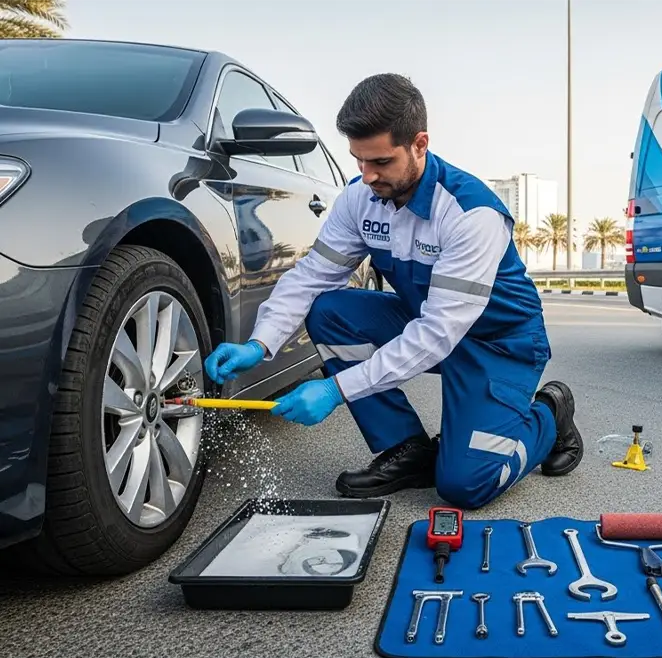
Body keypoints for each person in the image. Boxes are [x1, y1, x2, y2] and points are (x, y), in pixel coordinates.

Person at [203, 73, 583, 510]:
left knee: (465, 485)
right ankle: (408, 449)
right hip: (427, 323)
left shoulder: (470, 214)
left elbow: (437, 333)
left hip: (497, 343)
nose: (367, 176)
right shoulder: (359, 198)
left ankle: (549, 415)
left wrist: (336, 391)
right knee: (330, 310)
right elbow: (311, 276)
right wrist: (260, 342)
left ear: (419, 144)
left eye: (380, 162)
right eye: (358, 161)